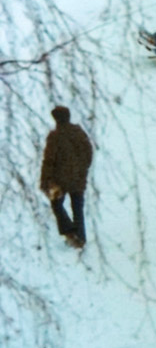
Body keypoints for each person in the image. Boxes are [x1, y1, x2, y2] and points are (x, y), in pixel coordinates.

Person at [40, 106, 93, 248]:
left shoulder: (55, 136)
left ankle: (70, 231)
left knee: (56, 205)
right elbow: (89, 153)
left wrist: (45, 181)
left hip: (59, 181)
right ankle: (80, 238)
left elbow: (49, 161)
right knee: (77, 208)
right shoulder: (79, 133)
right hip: (78, 178)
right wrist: (82, 170)